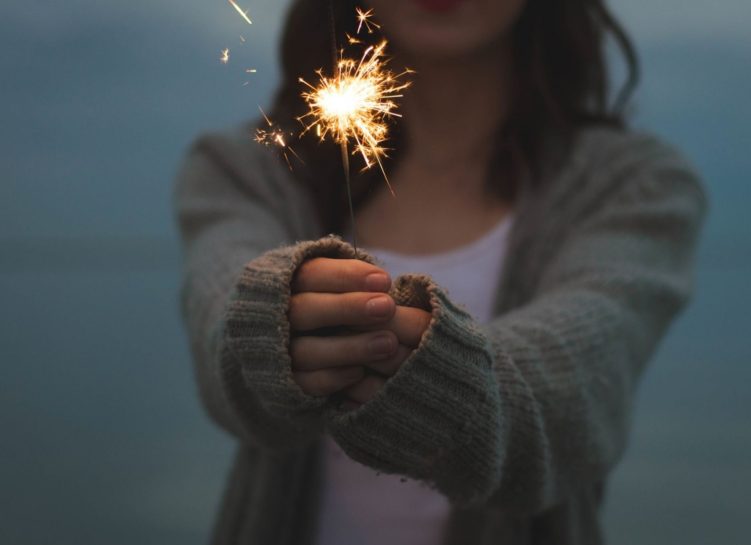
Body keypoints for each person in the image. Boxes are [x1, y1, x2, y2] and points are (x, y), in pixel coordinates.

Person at [175, 0, 708, 543]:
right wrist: (271, 325)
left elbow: (577, 388)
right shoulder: (248, 170)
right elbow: (223, 322)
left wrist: (444, 379)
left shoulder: (633, 187)